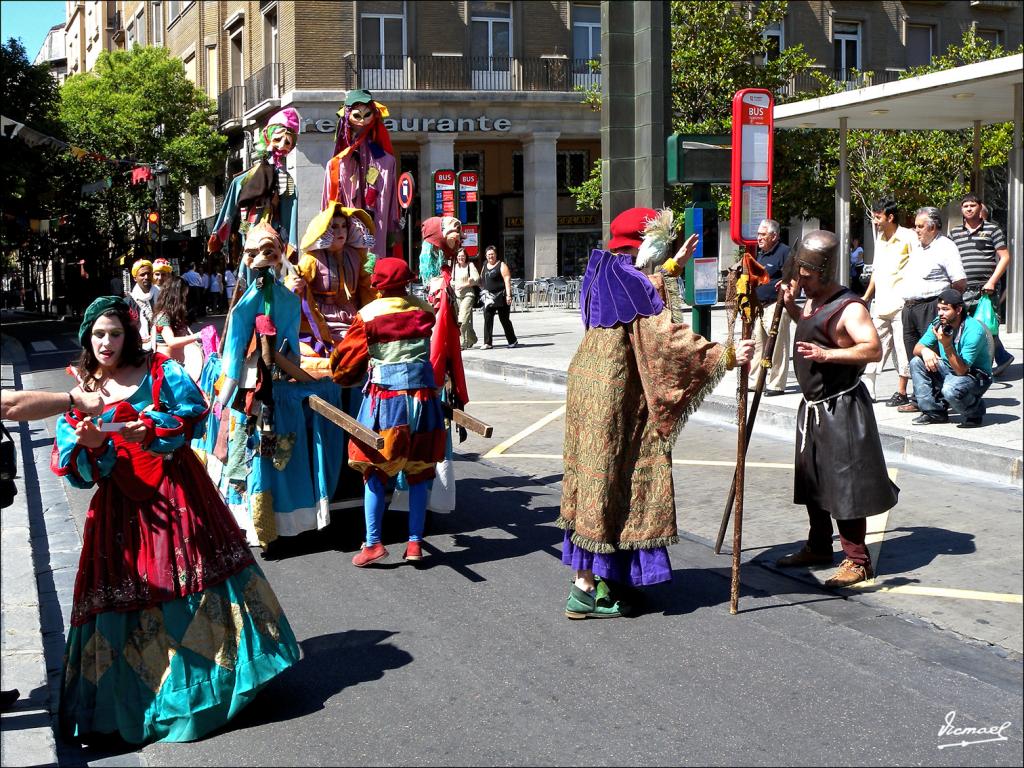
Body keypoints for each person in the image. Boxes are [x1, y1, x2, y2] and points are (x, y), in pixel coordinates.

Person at [51, 296, 299, 744]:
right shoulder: (82, 391)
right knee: (136, 594)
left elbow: (194, 413)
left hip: (177, 494)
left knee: (193, 585)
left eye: (115, 333)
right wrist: (91, 444)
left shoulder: (159, 369)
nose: (106, 343)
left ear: (129, 335)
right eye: (98, 334)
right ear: (87, 337)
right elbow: (79, 473)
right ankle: (141, 703)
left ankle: (204, 690)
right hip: (119, 515)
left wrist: (149, 427)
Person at [558, 207, 754, 619]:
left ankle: (596, 582)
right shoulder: (632, 282)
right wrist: (726, 354)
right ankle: (586, 590)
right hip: (620, 399)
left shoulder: (601, 269)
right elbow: (667, 341)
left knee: (593, 481)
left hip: (589, 387)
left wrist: (670, 267)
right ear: (645, 245)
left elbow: (641, 287)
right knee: (618, 480)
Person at [774, 230, 899, 588]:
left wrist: (829, 355)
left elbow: (872, 349)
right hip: (815, 407)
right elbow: (814, 327)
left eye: (808, 277)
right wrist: (792, 309)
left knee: (845, 483)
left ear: (825, 272)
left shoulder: (852, 308)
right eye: (800, 275)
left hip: (842, 407)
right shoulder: (813, 301)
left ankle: (858, 560)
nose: (802, 282)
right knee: (814, 479)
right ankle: (817, 545)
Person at [329, 257, 447, 566]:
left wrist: (339, 373)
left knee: (375, 469)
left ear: (378, 286)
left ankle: (373, 543)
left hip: (387, 401)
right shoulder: (424, 310)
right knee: (420, 470)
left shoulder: (368, 314)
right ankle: (414, 543)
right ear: (407, 282)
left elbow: (345, 364)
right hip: (424, 401)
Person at [208, 108, 301, 268]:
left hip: (272, 231)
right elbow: (231, 204)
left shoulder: (286, 180)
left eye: (287, 142)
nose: (281, 145)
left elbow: (290, 212)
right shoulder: (245, 178)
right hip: (250, 228)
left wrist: (290, 242)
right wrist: (219, 232)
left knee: (269, 268)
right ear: (268, 138)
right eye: (278, 139)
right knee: (248, 265)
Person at [896, 206, 967, 414]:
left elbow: (960, 281)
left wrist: (944, 306)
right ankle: (920, 398)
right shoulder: (917, 247)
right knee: (914, 355)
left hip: (931, 306)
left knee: (932, 355)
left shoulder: (946, 247)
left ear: (933, 227)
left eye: (920, 226)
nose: (916, 230)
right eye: (915, 226)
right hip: (910, 307)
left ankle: (938, 400)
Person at [323, 89, 400, 261]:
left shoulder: (385, 161)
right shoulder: (338, 163)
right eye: (357, 115)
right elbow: (329, 200)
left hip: (376, 230)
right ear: (348, 115)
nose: (362, 120)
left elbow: (392, 201)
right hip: (347, 233)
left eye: (367, 115)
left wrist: (393, 227)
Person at [290, 202, 377, 353]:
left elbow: (367, 286)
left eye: (344, 226)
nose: (340, 231)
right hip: (323, 321)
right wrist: (295, 285)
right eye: (334, 227)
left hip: (353, 318)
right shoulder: (312, 258)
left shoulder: (356, 256)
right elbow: (293, 281)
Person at [949, 194, 1014, 376]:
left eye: (972, 205)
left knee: (987, 326)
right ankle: (970, 362)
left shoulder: (993, 230)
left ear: (979, 208)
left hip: (985, 288)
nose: (969, 209)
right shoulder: (954, 233)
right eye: (965, 206)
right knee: (962, 325)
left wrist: (992, 281)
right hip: (962, 288)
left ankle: (985, 366)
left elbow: (1005, 257)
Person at [908, 287, 992, 428]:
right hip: (949, 369)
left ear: (958, 310)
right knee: (917, 362)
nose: (940, 313)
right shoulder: (939, 322)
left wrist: (946, 345)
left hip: (975, 376)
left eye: (945, 309)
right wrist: (925, 351)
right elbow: (917, 348)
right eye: (939, 309)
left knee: (950, 389)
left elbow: (962, 371)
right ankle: (934, 412)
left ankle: (975, 411)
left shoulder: (973, 330)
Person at [860, 198, 916, 405]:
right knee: (874, 344)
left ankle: (901, 392)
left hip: (902, 303)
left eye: (878, 217)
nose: (875, 221)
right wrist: (866, 297)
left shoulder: (908, 237)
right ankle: (869, 388)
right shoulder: (880, 239)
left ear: (890, 217)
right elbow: (877, 271)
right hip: (881, 304)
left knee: (902, 348)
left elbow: (918, 265)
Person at [751, 219, 792, 396]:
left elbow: (793, 276)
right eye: (758, 234)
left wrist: (785, 282)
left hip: (776, 306)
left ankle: (776, 384)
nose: (759, 238)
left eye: (763, 234)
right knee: (758, 345)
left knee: (777, 347)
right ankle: (755, 381)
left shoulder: (784, 252)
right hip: (759, 307)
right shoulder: (759, 254)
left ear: (774, 236)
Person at [152, 276, 202, 366]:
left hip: (177, 367)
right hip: (166, 369)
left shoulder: (176, 315)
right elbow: (171, 341)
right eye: (184, 295)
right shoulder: (163, 317)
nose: (186, 298)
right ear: (175, 296)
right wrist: (198, 335)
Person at [480, 245, 519, 350]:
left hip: (501, 296)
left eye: (492, 254)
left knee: (504, 320)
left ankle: (512, 340)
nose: (490, 256)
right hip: (489, 298)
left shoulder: (501, 265)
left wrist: (508, 295)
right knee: (487, 319)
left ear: (496, 254)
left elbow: (507, 280)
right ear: (486, 256)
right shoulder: (484, 264)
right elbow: (481, 278)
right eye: (488, 255)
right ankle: (487, 342)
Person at [129, 259, 159, 352]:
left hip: (160, 345)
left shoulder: (161, 295)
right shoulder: (129, 301)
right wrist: (137, 339)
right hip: (138, 348)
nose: (146, 277)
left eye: (149, 274)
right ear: (135, 278)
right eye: (142, 275)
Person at [452, 248, 480, 350]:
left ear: (466, 256)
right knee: (463, 319)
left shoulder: (470, 265)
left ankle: (462, 343)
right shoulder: (455, 267)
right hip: (457, 296)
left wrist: (465, 284)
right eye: (459, 256)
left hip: (468, 295)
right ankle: (472, 338)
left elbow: (476, 279)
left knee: (462, 319)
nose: (461, 258)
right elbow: (452, 281)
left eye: (463, 256)